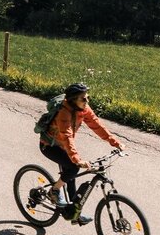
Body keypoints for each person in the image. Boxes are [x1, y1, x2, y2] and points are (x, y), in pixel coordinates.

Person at [39, 82, 124, 224]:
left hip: (64, 147)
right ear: (73, 100)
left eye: (87, 97)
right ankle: (54, 191)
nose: (87, 101)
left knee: (71, 176)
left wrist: (115, 142)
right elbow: (67, 136)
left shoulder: (83, 109)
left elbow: (97, 125)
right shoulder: (64, 113)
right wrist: (76, 159)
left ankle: (74, 215)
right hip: (49, 146)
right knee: (73, 168)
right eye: (83, 99)